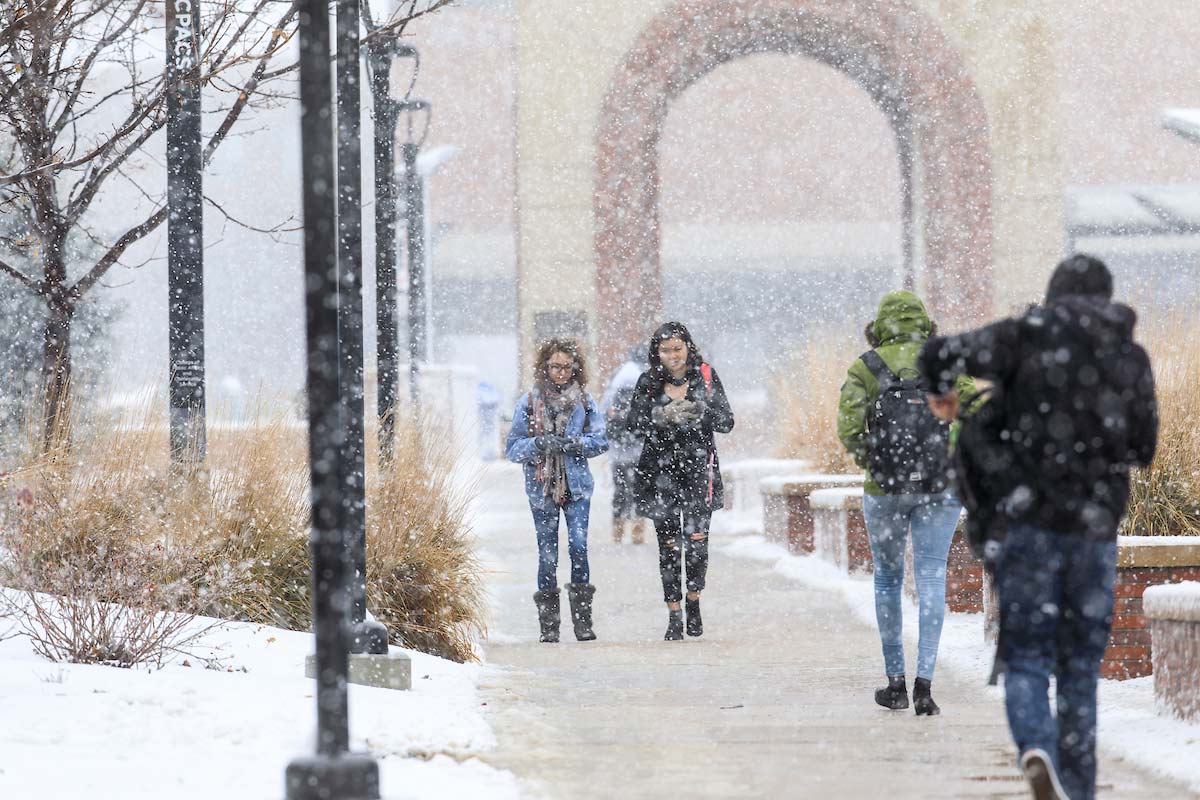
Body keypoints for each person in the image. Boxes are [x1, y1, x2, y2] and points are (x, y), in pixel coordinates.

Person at [919, 255, 1157, 800]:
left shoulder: (1021, 338)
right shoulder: (1129, 354)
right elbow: (1143, 447)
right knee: (1079, 667)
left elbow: (938, 352)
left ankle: (1035, 747)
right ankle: (1077, 785)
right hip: (1093, 531)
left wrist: (944, 398)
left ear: (1053, 294)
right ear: (1107, 296)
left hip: (1028, 527)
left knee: (1026, 656)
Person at [837, 290, 970, 716]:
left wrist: (873, 462)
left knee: (888, 580)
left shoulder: (866, 366)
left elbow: (848, 427)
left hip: (885, 490)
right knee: (931, 575)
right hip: (940, 488)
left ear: (879, 325)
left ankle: (895, 682)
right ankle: (925, 686)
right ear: (925, 324)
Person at [627, 322, 734, 641]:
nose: (672, 355)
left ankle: (694, 600)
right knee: (669, 547)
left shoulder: (705, 376)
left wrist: (700, 411)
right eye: (665, 350)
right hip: (660, 474)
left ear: (688, 347)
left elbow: (726, 422)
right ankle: (673, 613)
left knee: (698, 543)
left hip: (699, 471)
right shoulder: (648, 381)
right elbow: (632, 424)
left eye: (677, 348)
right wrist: (659, 416)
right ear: (656, 353)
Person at [506, 338, 609, 643]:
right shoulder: (528, 403)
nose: (561, 372)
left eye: (567, 366)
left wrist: (578, 444)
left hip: (576, 486)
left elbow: (601, 440)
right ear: (545, 367)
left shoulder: (585, 402)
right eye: (555, 366)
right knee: (547, 555)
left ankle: (582, 622)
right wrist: (538, 444)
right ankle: (549, 627)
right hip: (541, 488)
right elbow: (512, 448)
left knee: (578, 548)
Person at [599, 346, 649, 544]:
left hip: (618, 451)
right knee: (639, 489)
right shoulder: (644, 384)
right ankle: (638, 530)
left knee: (620, 490)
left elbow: (602, 416)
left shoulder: (614, 386)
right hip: (639, 450)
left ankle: (617, 531)